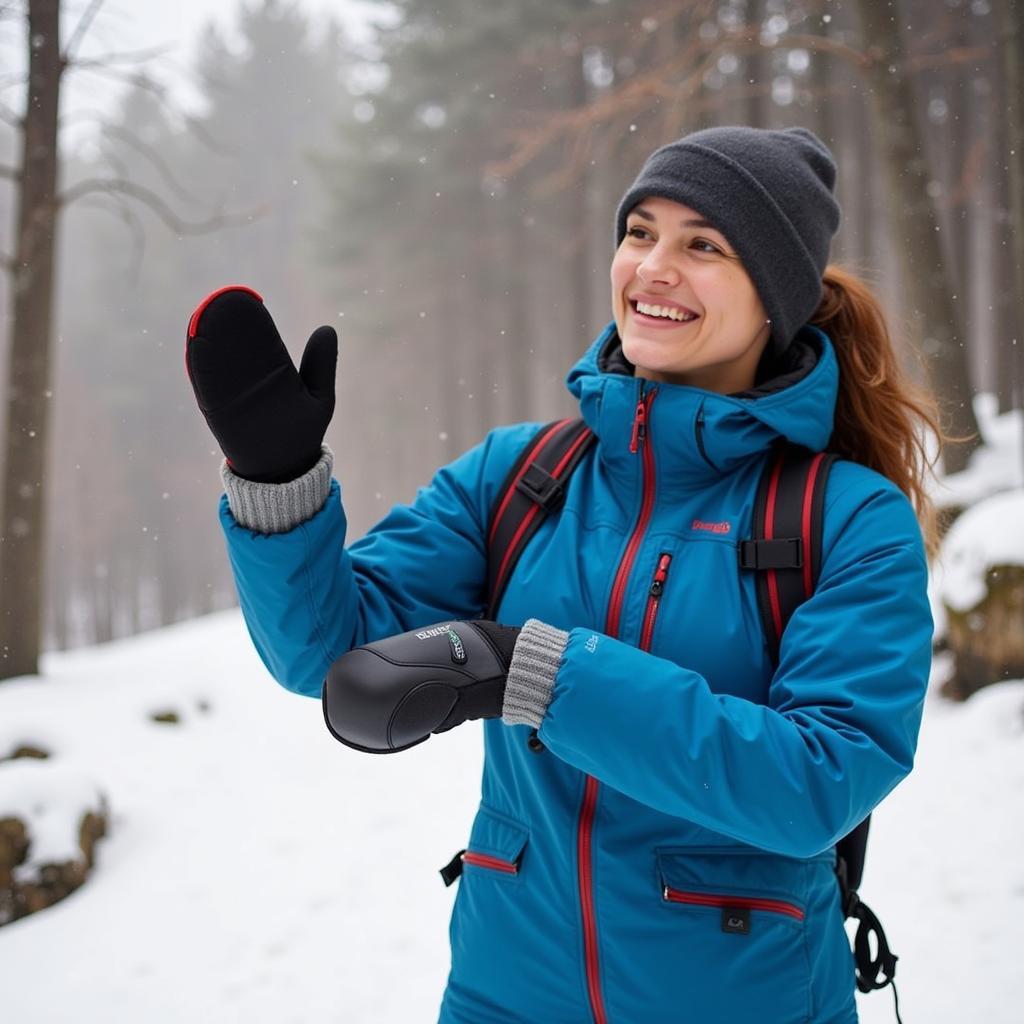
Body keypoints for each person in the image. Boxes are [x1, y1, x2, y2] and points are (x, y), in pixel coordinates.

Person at [186, 126, 938, 1023]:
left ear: (774, 292)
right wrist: (279, 485)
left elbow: (816, 782)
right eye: (640, 232)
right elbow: (330, 652)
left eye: (703, 245)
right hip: (505, 992)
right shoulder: (519, 475)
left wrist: (537, 673)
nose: (654, 266)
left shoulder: (845, 518)